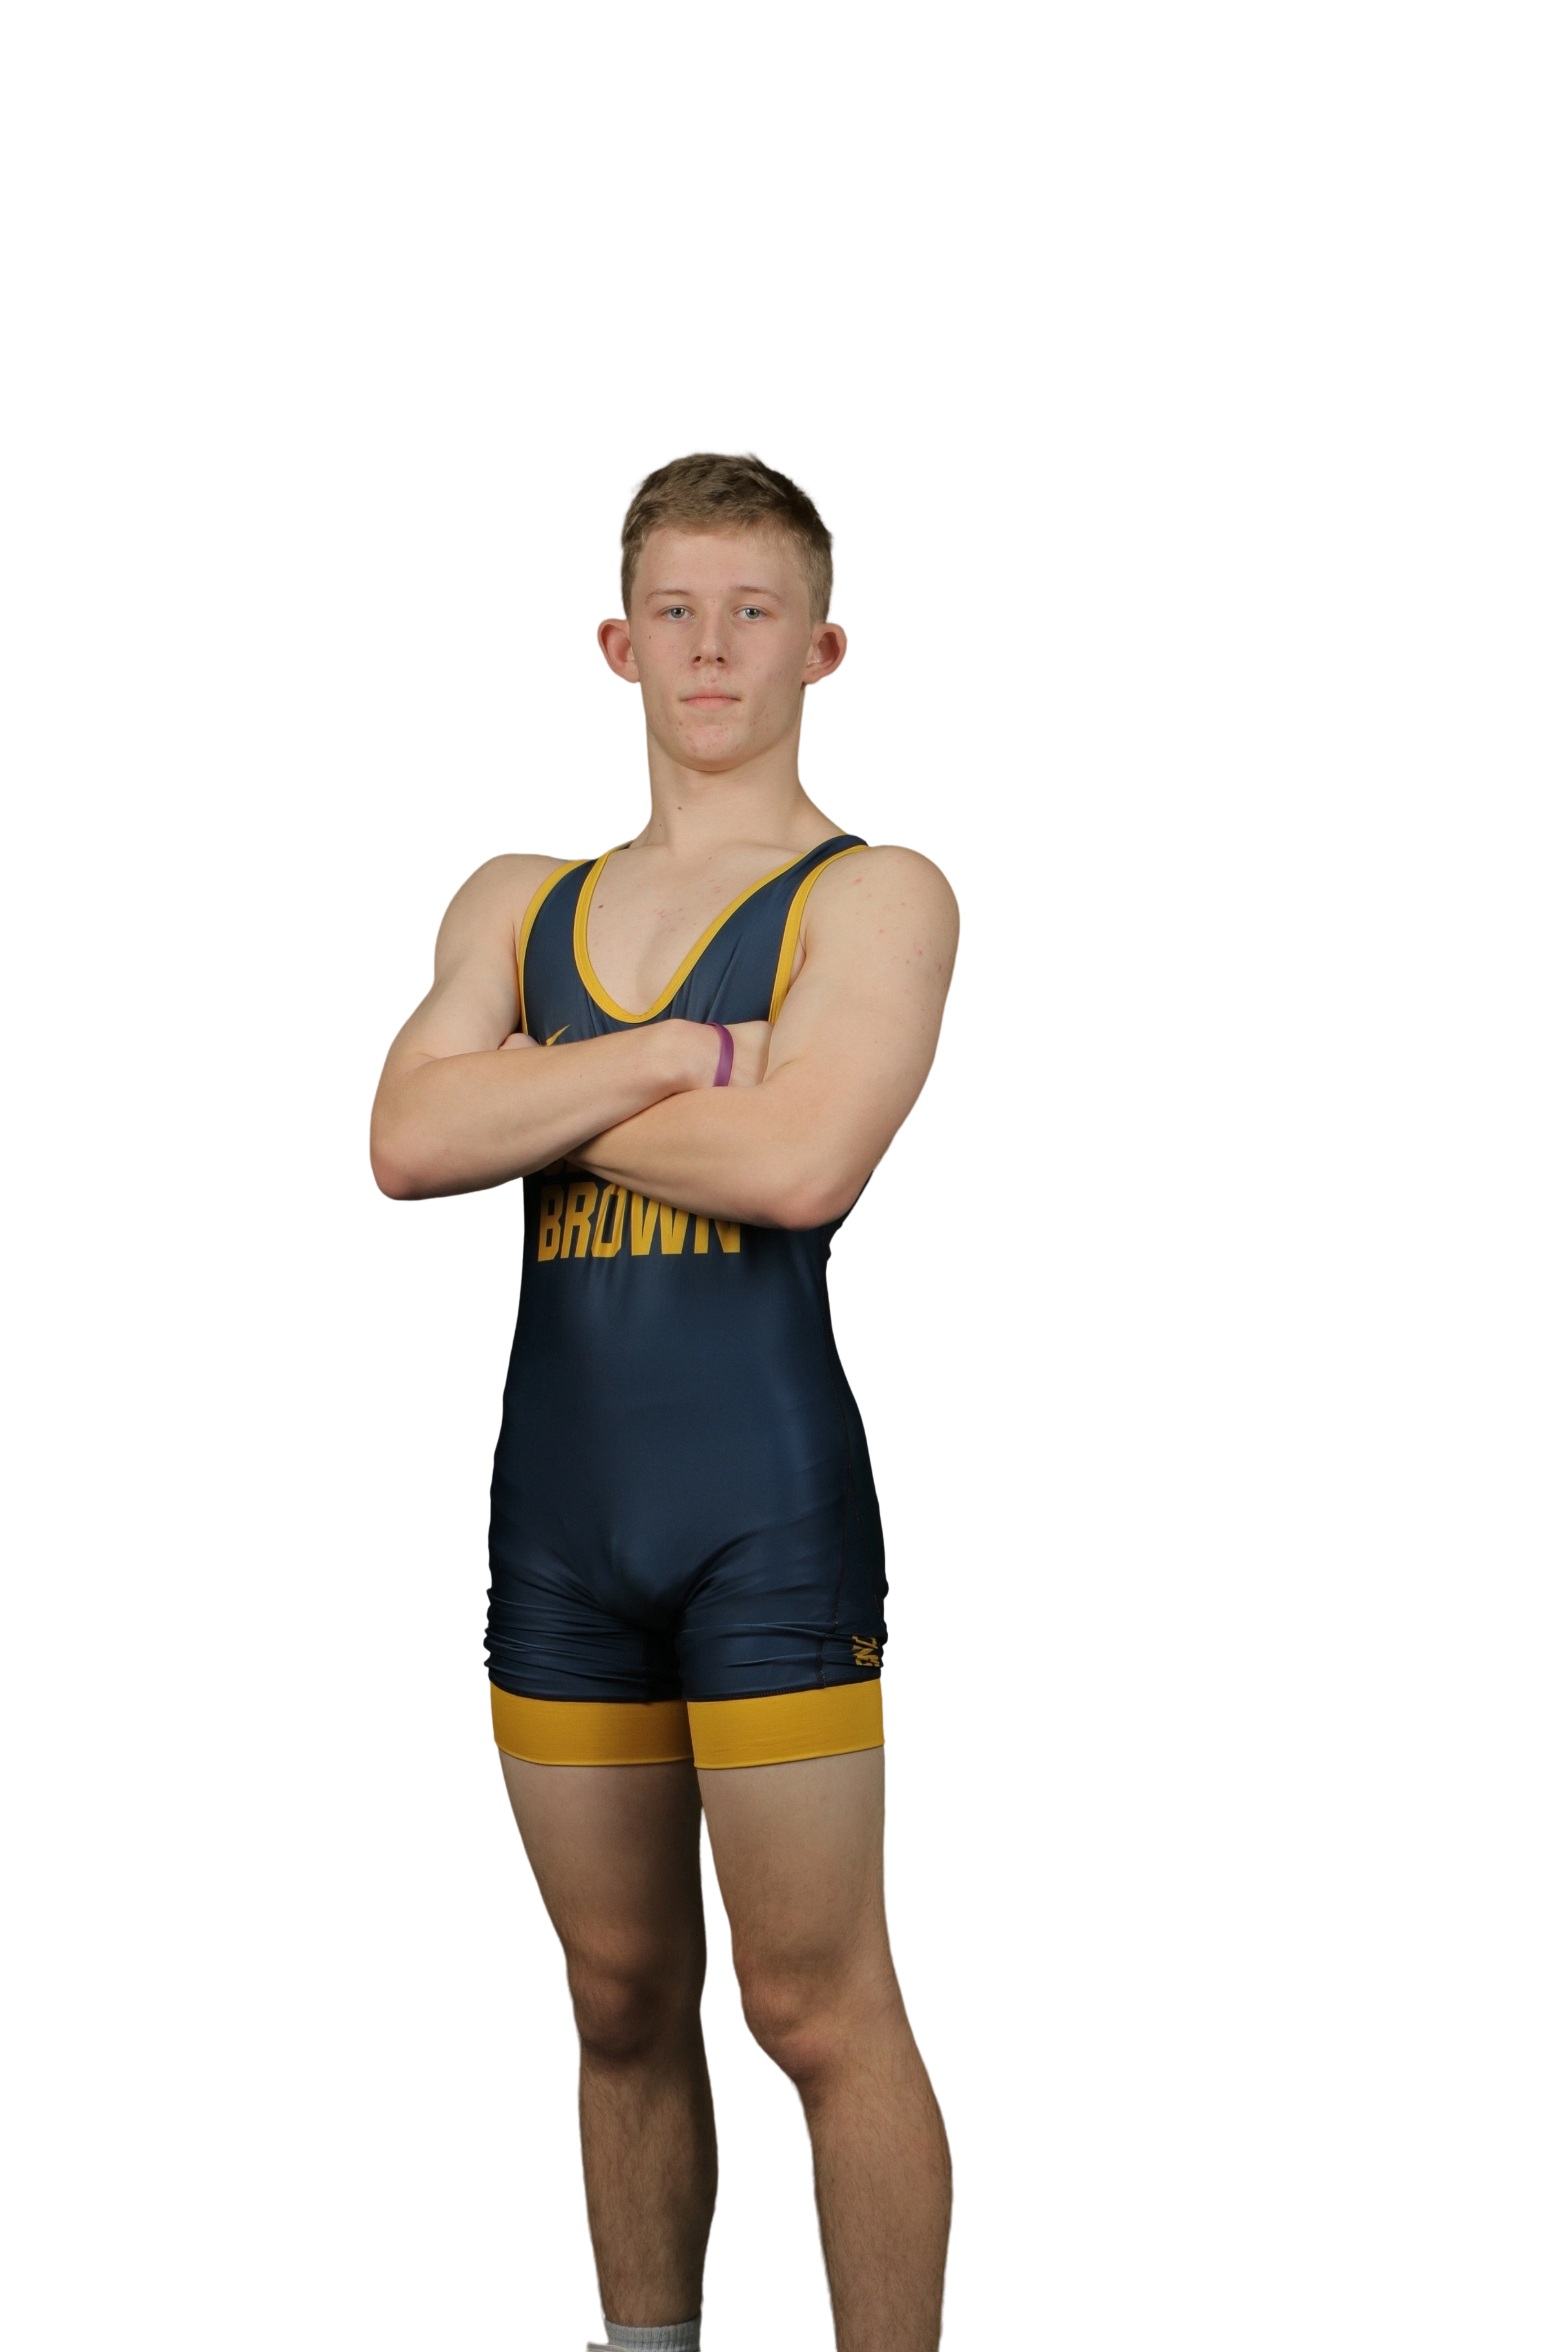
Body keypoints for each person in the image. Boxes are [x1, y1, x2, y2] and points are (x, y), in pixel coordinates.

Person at [366, 444, 961, 2352]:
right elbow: (402, 1144)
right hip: (557, 1522)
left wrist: (535, 1091)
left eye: (756, 611)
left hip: (763, 1519)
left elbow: (800, 1166)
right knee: (615, 1999)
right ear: (619, 645)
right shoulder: (513, 894)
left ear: (825, 650)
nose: (714, 646)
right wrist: (689, 1056)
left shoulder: (880, 895)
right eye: (678, 611)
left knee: (815, 2007)